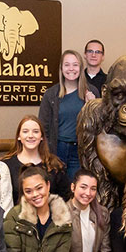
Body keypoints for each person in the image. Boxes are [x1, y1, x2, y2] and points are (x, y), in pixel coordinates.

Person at [40, 49, 100, 177]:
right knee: (57, 191)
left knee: (76, 190)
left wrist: (92, 105)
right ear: (61, 68)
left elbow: (99, 127)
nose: (71, 69)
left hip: (80, 152)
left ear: (80, 67)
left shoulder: (91, 92)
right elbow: (43, 128)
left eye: (75, 64)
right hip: (57, 149)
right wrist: (47, 154)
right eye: (67, 65)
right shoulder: (51, 94)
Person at [0, 115, 70, 203]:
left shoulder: (55, 165)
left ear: (41, 137)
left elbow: (64, 199)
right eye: (25, 131)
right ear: (19, 136)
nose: (30, 136)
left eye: (35, 132)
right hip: (16, 215)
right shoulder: (5, 165)